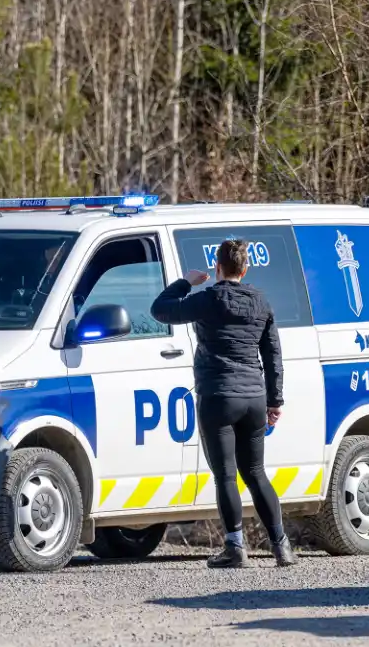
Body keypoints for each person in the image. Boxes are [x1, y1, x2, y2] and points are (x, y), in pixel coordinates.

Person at [150, 238, 296, 568]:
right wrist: (275, 401)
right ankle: (282, 547)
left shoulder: (209, 298)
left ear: (217, 268)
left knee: (227, 477)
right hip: (254, 399)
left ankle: (235, 548)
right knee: (257, 473)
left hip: (218, 396)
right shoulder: (262, 302)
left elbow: (161, 310)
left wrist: (186, 281)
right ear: (245, 269)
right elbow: (273, 356)